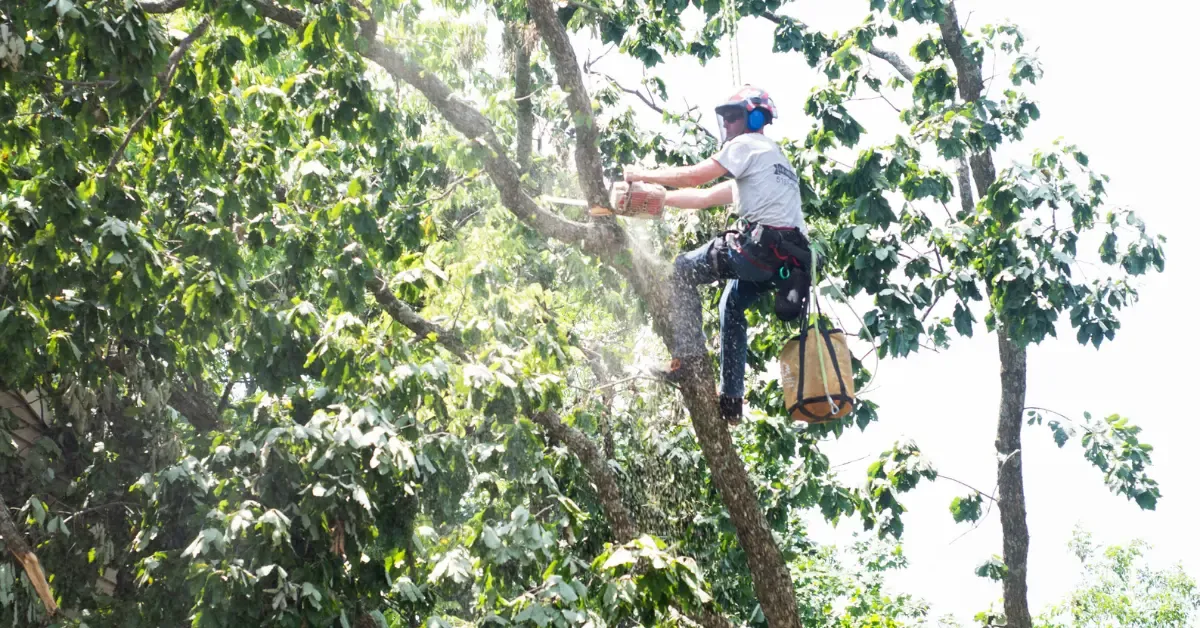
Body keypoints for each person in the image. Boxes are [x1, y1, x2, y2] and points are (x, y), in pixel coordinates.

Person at [622, 85, 811, 425]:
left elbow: (695, 175)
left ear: (754, 118)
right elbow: (703, 196)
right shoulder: (774, 163)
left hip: (757, 249)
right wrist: (648, 199)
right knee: (732, 304)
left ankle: (687, 360)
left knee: (680, 270)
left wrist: (641, 175)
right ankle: (732, 402)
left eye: (733, 118)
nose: (727, 126)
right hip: (784, 264)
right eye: (724, 119)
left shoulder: (747, 144)